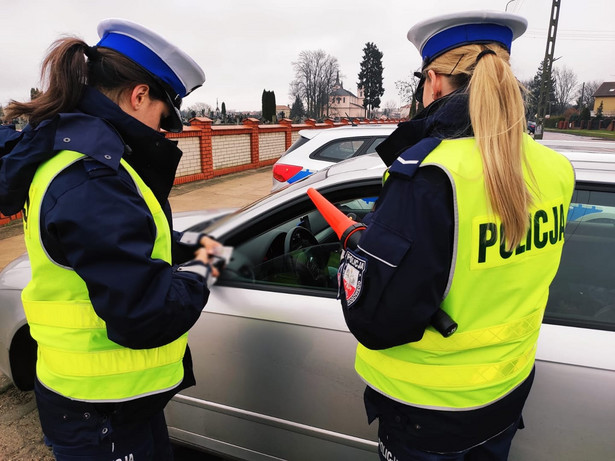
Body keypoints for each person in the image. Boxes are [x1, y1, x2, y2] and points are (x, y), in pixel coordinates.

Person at [336, 11, 575, 460]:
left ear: (434, 81)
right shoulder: (555, 169)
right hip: (506, 390)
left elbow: (377, 316)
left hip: (427, 408)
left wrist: (356, 259)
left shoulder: (430, 174)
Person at [0, 19, 220, 460]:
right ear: (139, 96)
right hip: (100, 414)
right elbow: (145, 312)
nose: (163, 132)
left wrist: (188, 245)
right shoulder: (94, 176)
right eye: (165, 117)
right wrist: (205, 267)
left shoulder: (78, 156)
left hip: (113, 402)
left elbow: (118, 240)